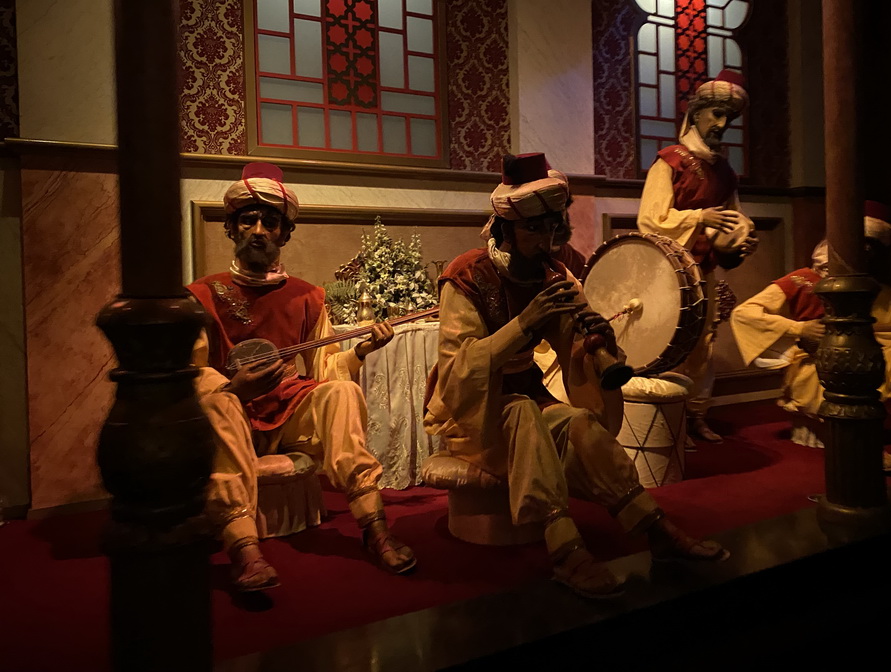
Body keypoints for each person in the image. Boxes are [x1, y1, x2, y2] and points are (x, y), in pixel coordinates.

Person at [425, 152, 728, 600]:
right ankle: (564, 548)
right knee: (526, 412)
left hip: (524, 394)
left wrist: (598, 341)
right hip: (469, 409)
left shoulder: (554, 273)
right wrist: (526, 323)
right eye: (534, 229)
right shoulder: (465, 277)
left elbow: (574, 347)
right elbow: (458, 369)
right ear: (506, 228)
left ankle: (654, 528)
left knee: (580, 423)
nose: (546, 239)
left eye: (552, 227)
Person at [188, 162, 416, 592]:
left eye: (270, 222)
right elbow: (193, 375)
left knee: (342, 392)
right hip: (229, 420)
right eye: (248, 219)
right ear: (231, 228)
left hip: (289, 414)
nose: (258, 229)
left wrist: (362, 351)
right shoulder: (201, 295)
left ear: (284, 233)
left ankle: (374, 525)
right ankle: (244, 547)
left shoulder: (309, 296)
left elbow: (326, 368)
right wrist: (233, 389)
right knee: (212, 393)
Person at [729, 203, 891, 471]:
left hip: (861, 361)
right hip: (816, 365)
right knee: (836, 364)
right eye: (861, 244)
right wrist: (799, 329)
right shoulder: (802, 280)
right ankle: (859, 440)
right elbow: (745, 314)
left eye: (871, 247)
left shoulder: (869, 286)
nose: (865, 251)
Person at [638, 70, 758, 446]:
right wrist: (697, 217)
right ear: (697, 114)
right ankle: (669, 416)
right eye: (716, 115)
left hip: (703, 269)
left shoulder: (725, 172)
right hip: (668, 271)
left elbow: (734, 219)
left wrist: (742, 239)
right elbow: (649, 221)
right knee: (672, 340)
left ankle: (696, 414)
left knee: (703, 341)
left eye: (729, 118)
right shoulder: (670, 163)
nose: (722, 124)